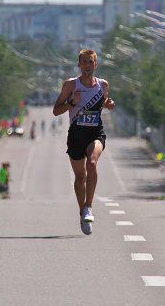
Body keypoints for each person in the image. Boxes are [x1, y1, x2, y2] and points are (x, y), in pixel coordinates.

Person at [53, 49, 115, 235]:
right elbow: (56, 110)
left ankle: (89, 206)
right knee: (80, 178)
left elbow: (103, 102)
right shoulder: (71, 85)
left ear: (96, 64)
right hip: (76, 135)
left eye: (91, 62)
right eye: (84, 62)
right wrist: (72, 102)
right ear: (79, 65)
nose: (88, 66)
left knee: (92, 163)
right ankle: (82, 211)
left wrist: (108, 104)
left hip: (95, 133)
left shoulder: (102, 85)